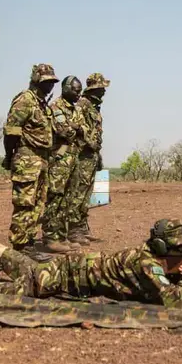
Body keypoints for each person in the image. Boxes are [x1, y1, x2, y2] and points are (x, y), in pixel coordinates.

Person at [0, 219, 182, 309]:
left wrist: (180, 276)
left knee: (32, 269)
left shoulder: (150, 259)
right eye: (180, 248)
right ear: (161, 247)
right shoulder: (146, 262)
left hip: (73, 267)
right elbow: (174, 302)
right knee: (22, 289)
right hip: (64, 279)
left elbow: (157, 284)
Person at [2, 64, 59, 257]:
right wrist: (10, 156)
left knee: (38, 202)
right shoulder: (25, 100)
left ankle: (29, 241)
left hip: (42, 158)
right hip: (27, 158)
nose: (50, 85)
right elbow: (11, 131)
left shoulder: (42, 104)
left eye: (52, 82)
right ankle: (20, 246)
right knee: (25, 203)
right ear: (35, 80)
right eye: (46, 81)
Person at [41, 75, 87, 249]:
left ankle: (61, 235)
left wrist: (76, 128)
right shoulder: (56, 107)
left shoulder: (75, 109)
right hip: (59, 161)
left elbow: (84, 131)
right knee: (55, 198)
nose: (78, 94)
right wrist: (76, 128)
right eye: (75, 90)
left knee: (68, 199)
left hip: (73, 159)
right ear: (66, 89)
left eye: (80, 91)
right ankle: (51, 237)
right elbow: (65, 132)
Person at [67, 73, 109, 240]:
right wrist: (86, 143)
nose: (104, 91)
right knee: (78, 192)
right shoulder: (82, 104)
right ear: (95, 88)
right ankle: (73, 229)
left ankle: (82, 227)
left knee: (87, 193)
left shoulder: (93, 106)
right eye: (102, 88)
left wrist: (97, 154)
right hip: (82, 155)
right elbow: (75, 127)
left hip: (91, 155)